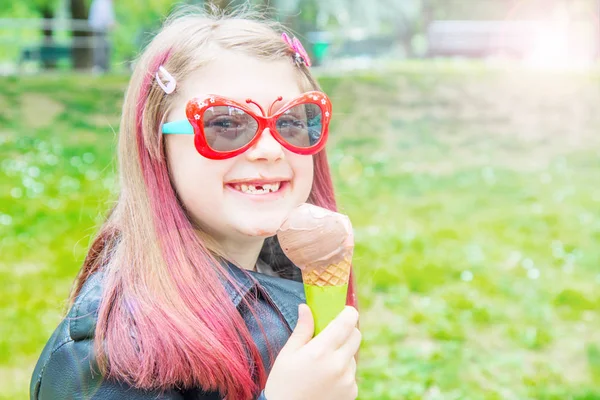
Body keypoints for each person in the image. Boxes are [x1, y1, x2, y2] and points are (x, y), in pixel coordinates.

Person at [30, 7, 360, 400]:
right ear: (156, 142)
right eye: (225, 124)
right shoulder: (111, 352)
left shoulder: (290, 270)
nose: (270, 150)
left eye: (291, 121)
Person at [88, 0, 115, 73]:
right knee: (100, 47)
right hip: (100, 27)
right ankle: (100, 67)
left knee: (102, 47)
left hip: (101, 27)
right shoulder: (102, 2)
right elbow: (104, 16)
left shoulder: (102, 2)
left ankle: (103, 66)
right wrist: (109, 23)